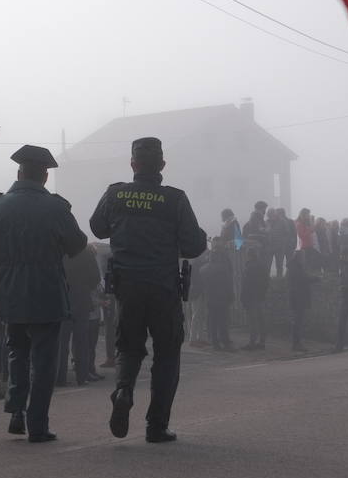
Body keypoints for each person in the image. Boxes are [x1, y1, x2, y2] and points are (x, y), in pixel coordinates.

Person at [90, 137, 206, 442]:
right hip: (164, 287)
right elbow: (193, 246)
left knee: (129, 347)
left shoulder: (115, 194)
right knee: (167, 354)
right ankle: (156, 426)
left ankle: (123, 390)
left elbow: (97, 227)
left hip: (127, 286)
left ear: (133, 164)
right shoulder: (175, 199)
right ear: (162, 165)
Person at [0, 145, 86, 441]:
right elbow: (76, 245)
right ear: (45, 176)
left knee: (17, 352)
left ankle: (16, 410)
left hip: (9, 291)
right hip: (47, 290)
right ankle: (38, 424)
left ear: (19, 172)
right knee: (44, 360)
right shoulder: (56, 207)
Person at [57, 245, 103, 387]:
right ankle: (82, 377)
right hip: (82, 299)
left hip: (63, 299)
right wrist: (84, 287)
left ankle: (60, 377)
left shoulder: (60, 251)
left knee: (62, 342)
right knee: (82, 341)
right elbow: (96, 278)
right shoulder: (86, 252)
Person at [202, 240, 236, 351]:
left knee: (213, 320)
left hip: (210, 298)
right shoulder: (223, 269)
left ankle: (215, 342)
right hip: (222, 298)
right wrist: (231, 295)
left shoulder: (204, 270)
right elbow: (228, 283)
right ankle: (225, 341)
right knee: (223, 321)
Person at [240, 232, 269, 350]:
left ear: (249, 256)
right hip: (260, 296)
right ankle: (262, 341)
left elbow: (246, 285)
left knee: (253, 320)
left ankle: (252, 342)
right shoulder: (262, 266)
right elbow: (266, 281)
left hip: (251, 297)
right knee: (261, 319)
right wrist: (263, 293)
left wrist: (243, 297)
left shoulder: (249, 268)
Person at [287, 248, 316, 353]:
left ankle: (296, 343)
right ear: (300, 258)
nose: (304, 259)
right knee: (298, 322)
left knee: (297, 321)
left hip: (296, 297)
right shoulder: (297, 268)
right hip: (298, 298)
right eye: (303, 257)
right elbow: (303, 279)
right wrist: (315, 279)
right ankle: (297, 344)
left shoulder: (293, 267)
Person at [267, 207, 295, 278]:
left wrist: (283, 242)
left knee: (279, 264)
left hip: (280, 246)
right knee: (268, 264)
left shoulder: (282, 221)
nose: (271, 216)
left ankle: (279, 279)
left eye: (272, 214)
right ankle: (267, 279)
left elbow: (287, 233)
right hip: (269, 246)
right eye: (269, 215)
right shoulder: (267, 222)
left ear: (275, 214)